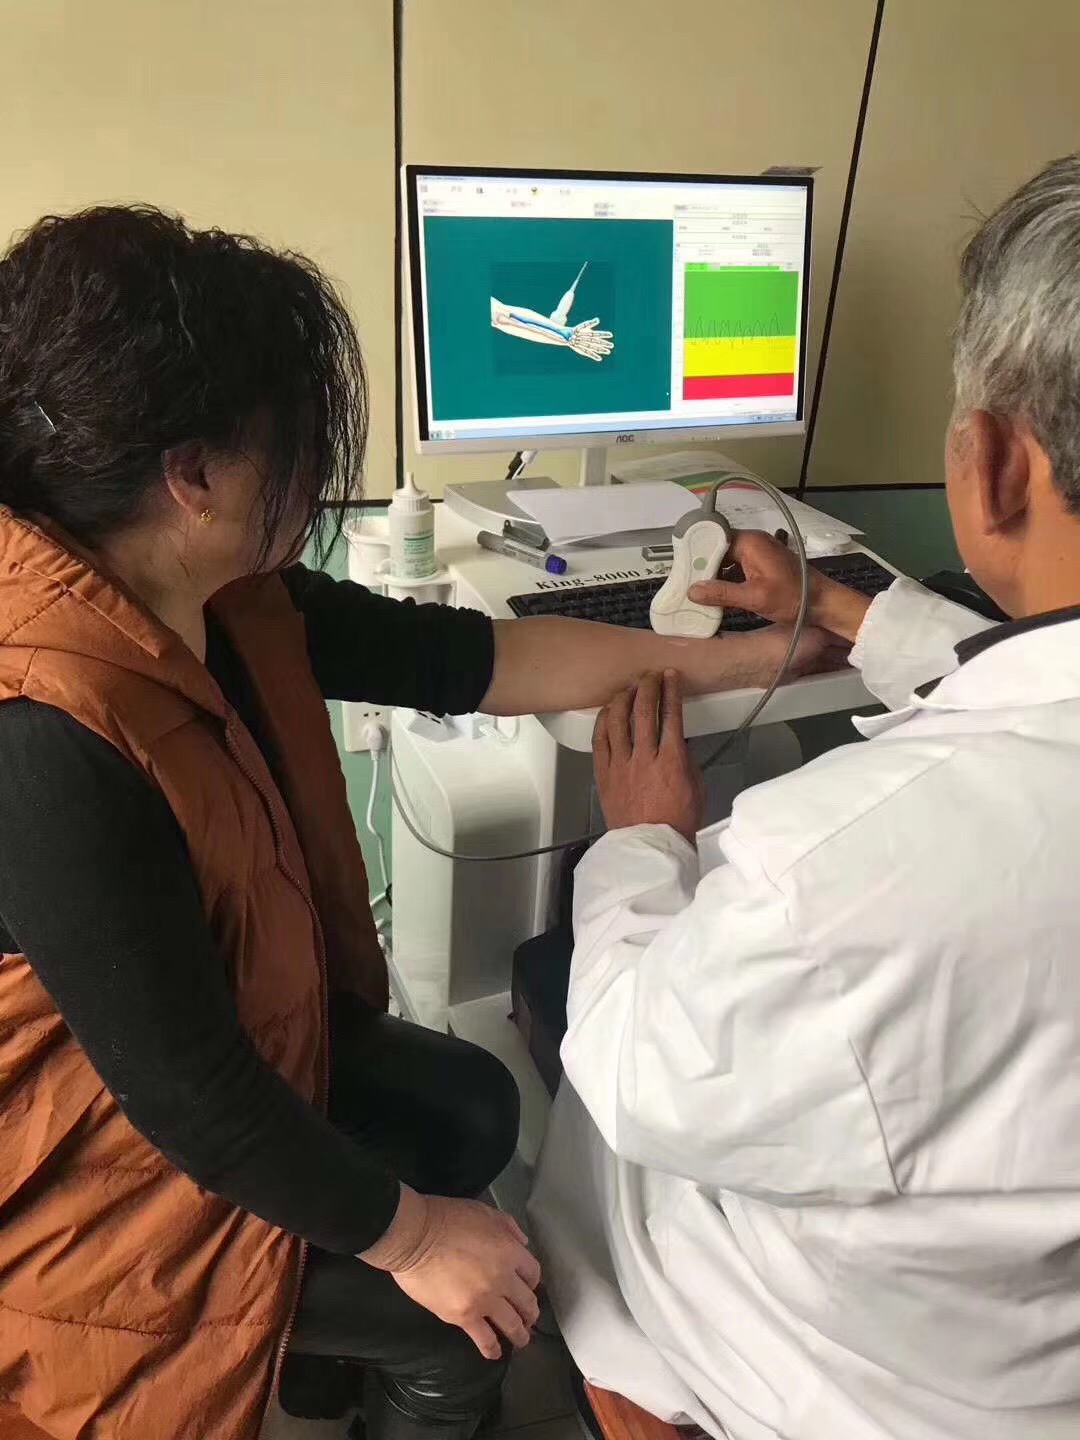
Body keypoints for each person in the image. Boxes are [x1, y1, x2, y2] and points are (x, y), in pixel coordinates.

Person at [0, 206, 829, 1440]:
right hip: (104, 1173)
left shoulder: (223, 595)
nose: (313, 482)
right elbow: (195, 1098)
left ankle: (324, 1379)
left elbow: (478, 658)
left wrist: (749, 658)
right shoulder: (44, 735)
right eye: (293, 449)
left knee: (477, 1109)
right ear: (195, 477)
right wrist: (418, 1240)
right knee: (478, 1316)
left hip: (235, 1062)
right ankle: (399, 1375)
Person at [530, 154, 1080, 1440]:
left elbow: (641, 1075)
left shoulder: (834, 870)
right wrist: (837, 604)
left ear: (993, 464)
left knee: (587, 1006)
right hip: (1038, 1345)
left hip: (865, 1379)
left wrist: (641, 844)